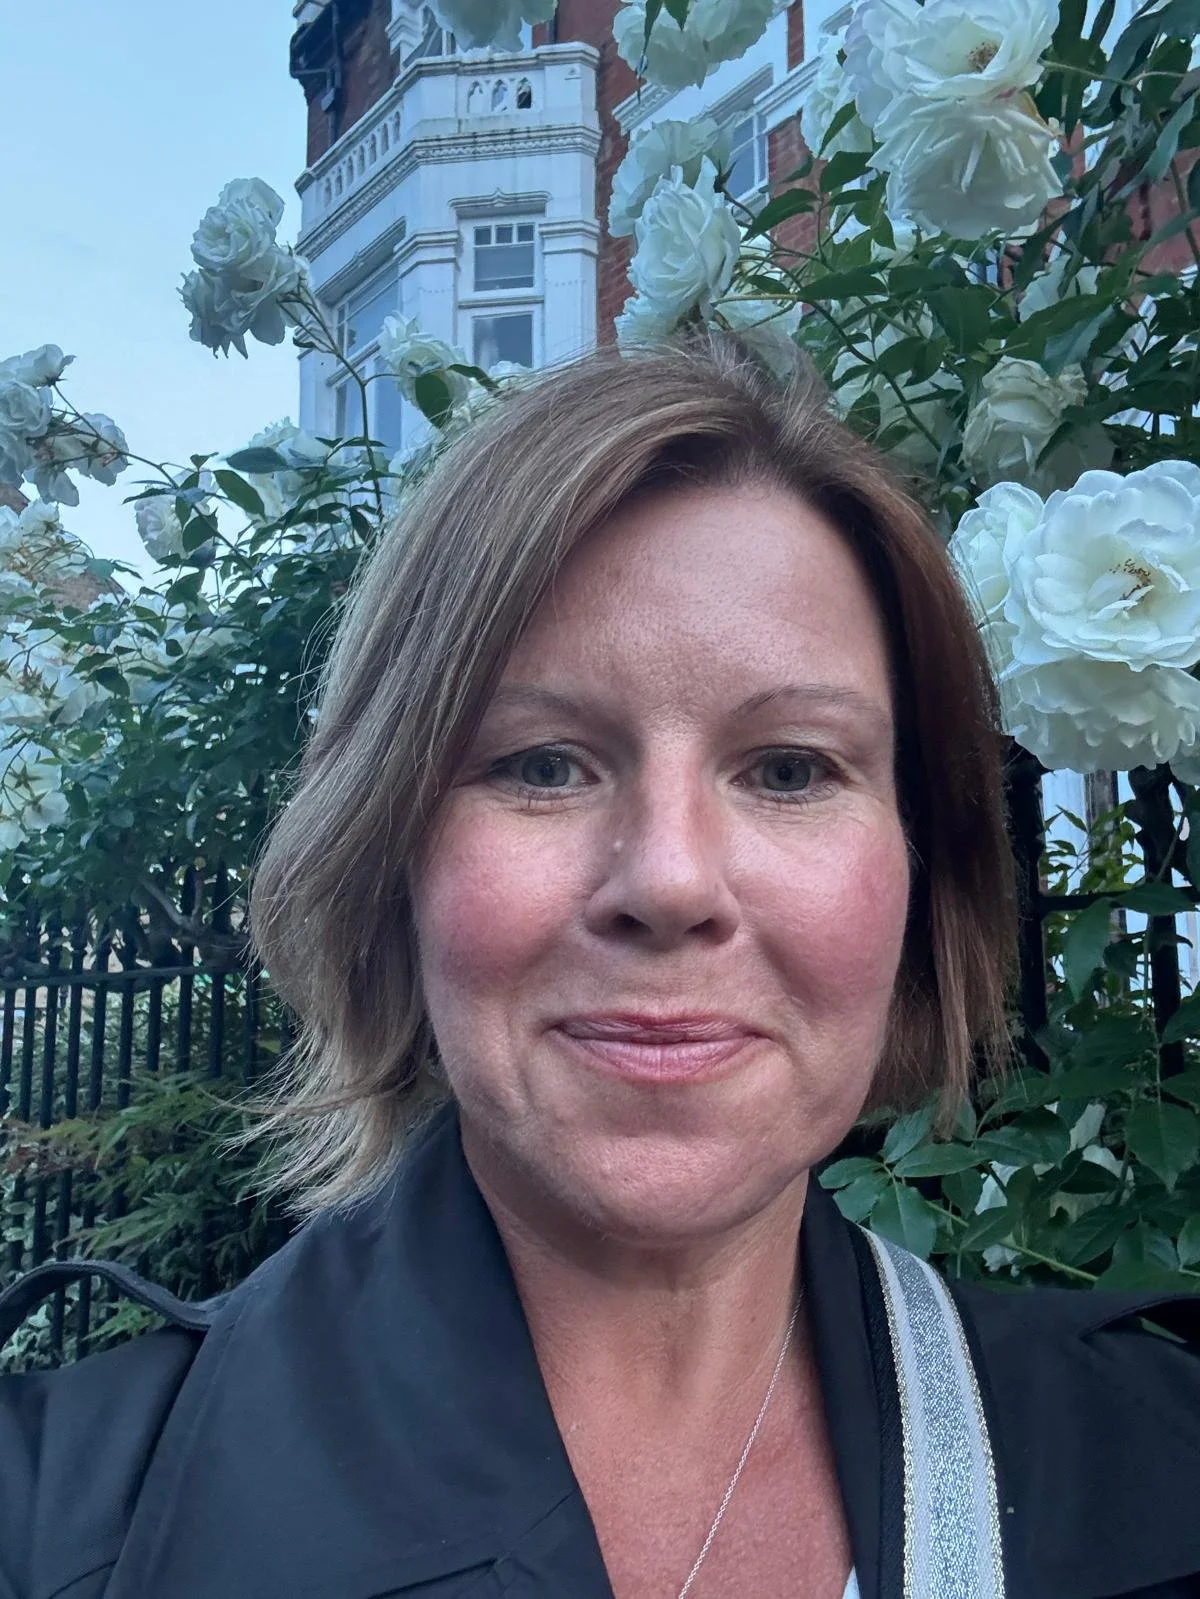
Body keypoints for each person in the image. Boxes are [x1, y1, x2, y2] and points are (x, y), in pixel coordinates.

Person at [0, 336, 1197, 1599]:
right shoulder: (57, 1533)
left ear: (921, 867)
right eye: (542, 766)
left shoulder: (1156, 1475)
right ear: (390, 855)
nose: (669, 882)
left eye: (790, 768)